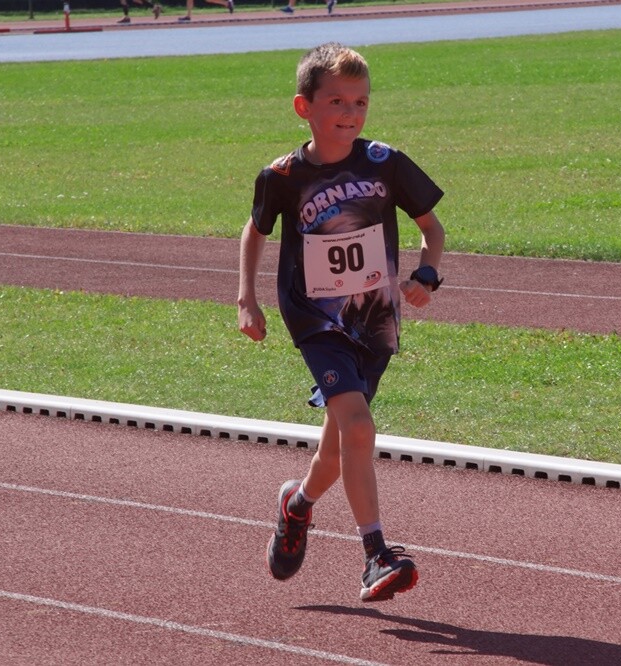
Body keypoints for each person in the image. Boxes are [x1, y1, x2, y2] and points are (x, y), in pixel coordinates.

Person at [237, 42, 445, 602]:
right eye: (336, 101)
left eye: (360, 102)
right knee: (358, 427)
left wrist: (427, 275)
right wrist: (246, 299)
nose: (350, 113)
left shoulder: (386, 163)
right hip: (314, 317)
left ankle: (297, 504)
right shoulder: (282, 175)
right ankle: (376, 555)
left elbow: (434, 229)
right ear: (305, 107)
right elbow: (254, 231)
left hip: (375, 316)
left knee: (339, 446)